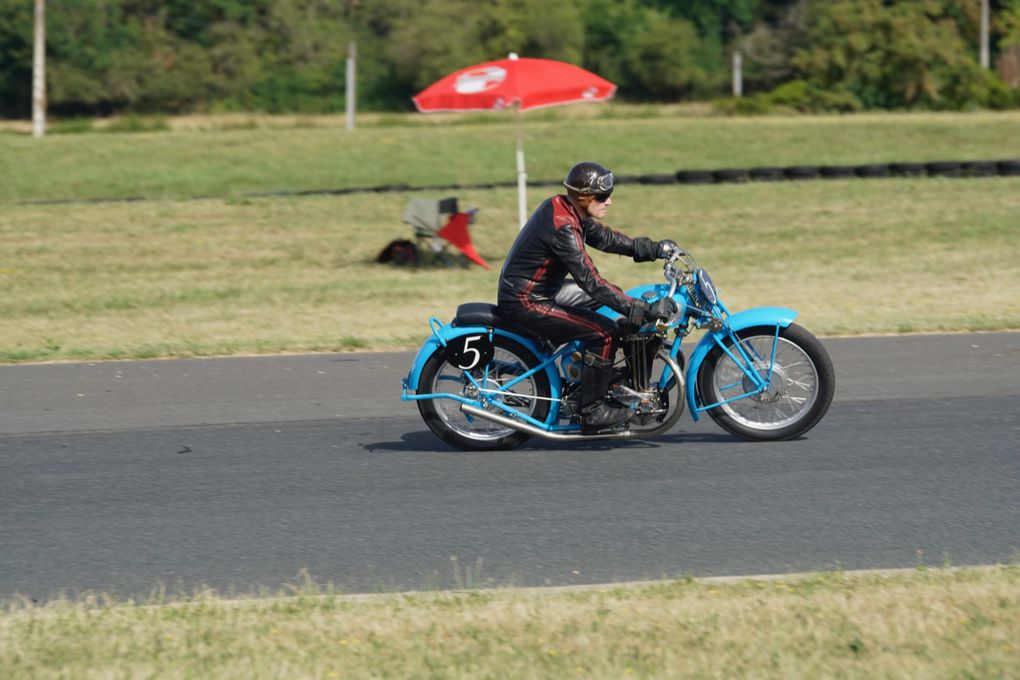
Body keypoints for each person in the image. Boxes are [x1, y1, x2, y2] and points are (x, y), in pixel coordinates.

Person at [497, 161, 679, 433]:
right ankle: (590, 409)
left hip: (542, 289)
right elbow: (591, 282)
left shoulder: (566, 208)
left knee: (616, 298)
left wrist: (652, 249)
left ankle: (600, 374)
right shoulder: (564, 228)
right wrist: (640, 309)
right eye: (603, 197)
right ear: (583, 197)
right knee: (603, 332)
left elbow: (604, 238)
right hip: (526, 300)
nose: (610, 202)